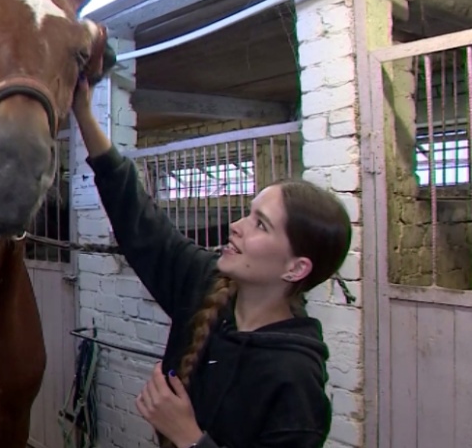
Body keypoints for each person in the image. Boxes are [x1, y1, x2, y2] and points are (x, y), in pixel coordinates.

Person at [72, 86, 352, 447]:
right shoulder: (207, 284)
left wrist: (189, 438)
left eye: (260, 224)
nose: (236, 225)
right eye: (249, 214)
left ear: (296, 269)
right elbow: (137, 217)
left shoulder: (295, 380)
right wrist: (83, 111)